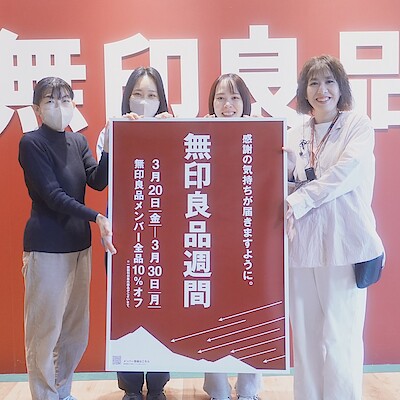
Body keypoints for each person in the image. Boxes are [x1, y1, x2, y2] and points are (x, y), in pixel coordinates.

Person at [285, 55, 384, 400]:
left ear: (341, 87)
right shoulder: (294, 133)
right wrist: (287, 183)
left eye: (329, 81)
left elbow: (345, 174)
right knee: (305, 338)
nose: (321, 90)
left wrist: (299, 198)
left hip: (345, 244)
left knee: (341, 336)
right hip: (301, 247)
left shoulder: (358, 124)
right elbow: (284, 182)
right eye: (313, 82)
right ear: (304, 90)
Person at [18, 77, 116, 400]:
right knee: (45, 331)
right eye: (50, 101)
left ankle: (62, 391)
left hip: (79, 247)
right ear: (37, 109)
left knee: (75, 331)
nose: (58, 108)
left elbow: (98, 181)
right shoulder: (31, 143)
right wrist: (96, 217)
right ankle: (45, 395)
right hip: (46, 248)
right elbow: (53, 196)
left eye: (64, 100)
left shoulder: (78, 142)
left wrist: (110, 146)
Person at [97, 67, 171, 400]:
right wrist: (114, 139)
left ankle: (157, 384)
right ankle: (129, 386)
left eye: (152, 95)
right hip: (124, 232)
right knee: (125, 304)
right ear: (127, 98)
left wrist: (173, 133)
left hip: (163, 234)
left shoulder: (174, 128)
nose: (144, 102)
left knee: (161, 305)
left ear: (162, 100)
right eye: (137, 94)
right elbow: (101, 179)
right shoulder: (112, 129)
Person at [203, 73, 261, 400]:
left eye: (235, 98)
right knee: (212, 312)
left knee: (252, 310)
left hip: (250, 238)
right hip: (208, 238)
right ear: (212, 102)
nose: (228, 105)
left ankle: (249, 388)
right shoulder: (197, 132)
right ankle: (217, 388)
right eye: (221, 98)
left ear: (245, 102)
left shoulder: (262, 133)